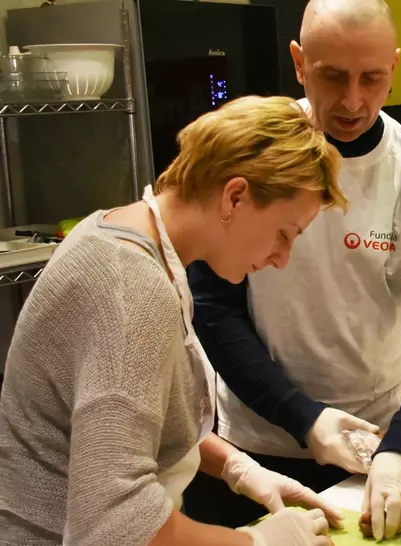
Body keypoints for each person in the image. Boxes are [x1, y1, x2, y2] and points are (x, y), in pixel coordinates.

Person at [182, 0, 401, 540]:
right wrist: (303, 416)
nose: (353, 100)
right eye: (332, 76)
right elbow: (215, 309)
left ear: (395, 65)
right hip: (258, 445)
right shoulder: (252, 153)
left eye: (373, 78)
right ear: (299, 63)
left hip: (374, 443)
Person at [0, 95, 346, 546]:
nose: (282, 258)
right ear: (235, 195)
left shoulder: (124, 234)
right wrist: (257, 544)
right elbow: (115, 526)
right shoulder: (132, 289)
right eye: (284, 233)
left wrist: (237, 467)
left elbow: (119, 424)